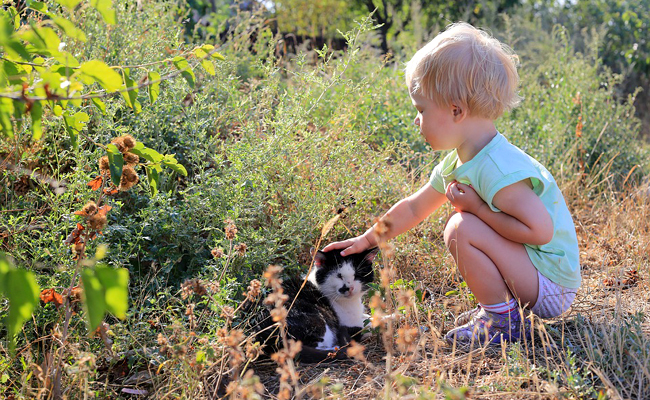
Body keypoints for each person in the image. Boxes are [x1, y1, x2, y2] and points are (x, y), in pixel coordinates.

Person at [322, 22, 581, 347]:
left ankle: (504, 323)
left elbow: (540, 231)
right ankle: (501, 310)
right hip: (535, 274)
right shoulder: (461, 161)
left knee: (462, 227)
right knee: (465, 225)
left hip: (552, 284)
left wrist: (477, 209)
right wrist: (367, 239)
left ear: (456, 110)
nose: (416, 119)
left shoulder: (497, 168)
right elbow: (415, 207)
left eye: (421, 109)